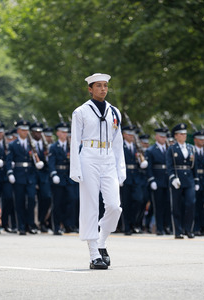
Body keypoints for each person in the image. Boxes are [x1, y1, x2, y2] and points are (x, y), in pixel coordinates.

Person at [70, 73, 125, 270]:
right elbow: (75, 141)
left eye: (106, 85)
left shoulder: (114, 112)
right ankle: (94, 254)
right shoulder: (81, 112)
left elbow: (118, 142)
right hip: (89, 156)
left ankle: (102, 241)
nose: (103, 89)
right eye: (99, 86)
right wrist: (75, 169)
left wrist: (121, 169)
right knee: (90, 206)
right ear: (90, 89)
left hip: (108, 157)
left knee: (114, 206)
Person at [6, 120, 44, 235]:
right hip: (18, 175)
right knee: (20, 201)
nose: (25, 132)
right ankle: (21, 226)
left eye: (26, 130)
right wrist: (10, 173)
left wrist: (38, 163)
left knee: (32, 200)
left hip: (30, 175)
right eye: (23, 130)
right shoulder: (13, 145)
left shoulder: (31, 144)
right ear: (18, 131)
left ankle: (30, 224)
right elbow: (9, 160)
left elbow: (36, 156)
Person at [166, 123, 198, 239]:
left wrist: (196, 180)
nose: (184, 136)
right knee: (177, 206)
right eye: (181, 134)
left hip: (189, 179)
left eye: (185, 134)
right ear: (176, 136)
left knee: (190, 204)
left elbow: (194, 166)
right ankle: (178, 231)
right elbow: (169, 166)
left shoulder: (191, 148)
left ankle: (188, 229)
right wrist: (173, 178)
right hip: (177, 179)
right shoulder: (171, 148)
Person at [49, 122, 78, 235]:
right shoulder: (53, 147)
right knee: (58, 202)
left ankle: (68, 224)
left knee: (72, 200)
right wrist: (53, 174)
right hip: (59, 176)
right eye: (62, 132)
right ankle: (56, 226)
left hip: (69, 176)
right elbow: (51, 162)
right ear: (57, 133)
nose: (64, 134)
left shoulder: (71, 146)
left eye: (66, 132)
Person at [120, 124, 147, 235]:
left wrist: (142, 161)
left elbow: (141, 159)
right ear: (124, 134)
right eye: (129, 134)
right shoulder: (120, 146)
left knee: (139, 200)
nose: (131, 136)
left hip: (136, 177)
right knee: (125, 203)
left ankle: (133, 223)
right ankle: (126, 227)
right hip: (125, 176)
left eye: (133, 134)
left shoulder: (136, 146)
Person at [145, 126, 171, 235]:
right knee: (158, 206)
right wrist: (151, 179)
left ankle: (167, 226)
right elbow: (149, 167)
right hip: (157, 180)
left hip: (167, 181)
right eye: (161, 136)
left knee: (168, 205)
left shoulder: (170, 149)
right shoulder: (150, 150)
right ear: (156, 137)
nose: (163, 138)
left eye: (165, 136)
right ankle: (159, 228)